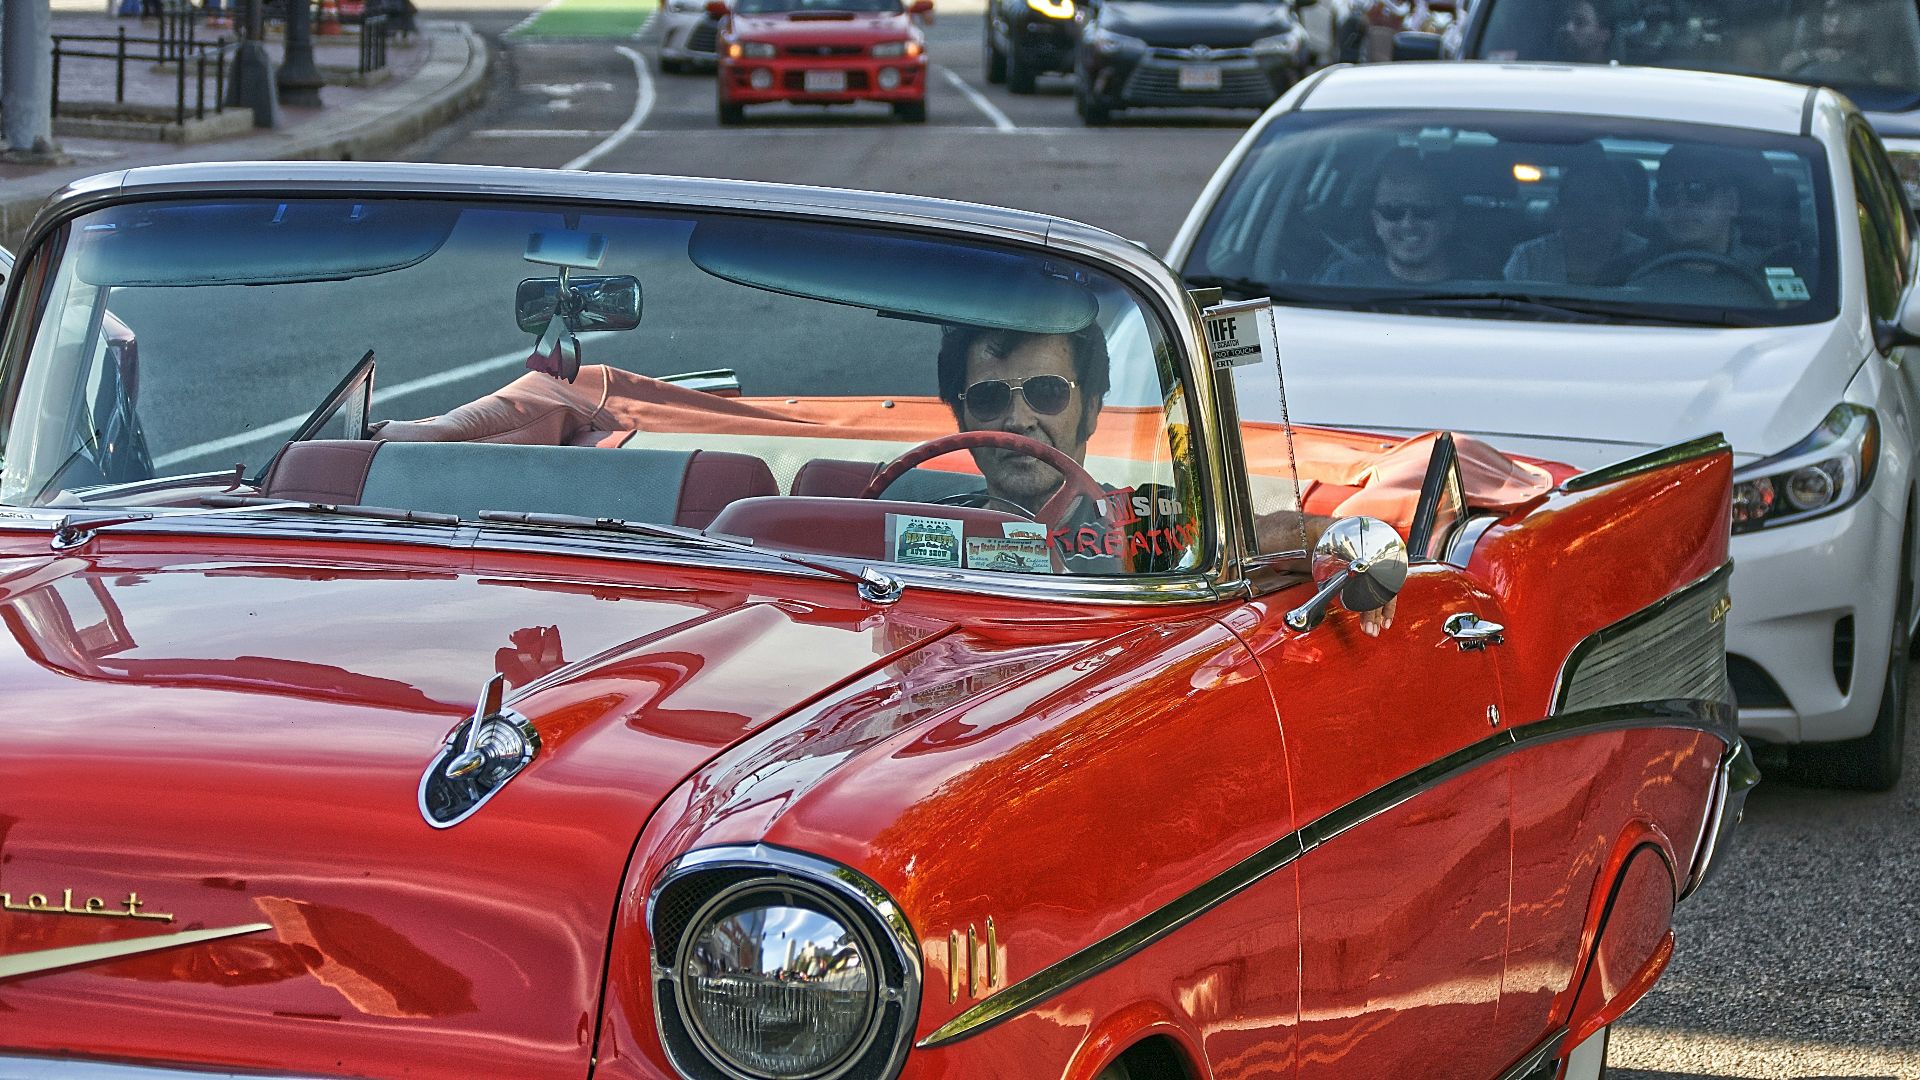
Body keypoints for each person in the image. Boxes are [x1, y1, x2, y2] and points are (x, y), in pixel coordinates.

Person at [934, 323, 1111, 516]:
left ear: (1091, 410)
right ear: (961, 419)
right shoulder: (925, 533)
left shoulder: (1141, 528)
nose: (1018, 421)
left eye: (1047, 391)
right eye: (988, 397)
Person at [1318, 151, 1458, 286]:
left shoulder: (1477, 287)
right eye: (1392, 211)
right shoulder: (1342, 279)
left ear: (1448, 220)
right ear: (1376, 222)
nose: (1408, 224)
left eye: (1423, 210)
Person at [1505, 157, 1650, 285]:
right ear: (1558, 213)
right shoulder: (1529, 259)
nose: (1586, 214)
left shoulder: (1648, 260)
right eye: (1574, 202)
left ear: (1625, 212)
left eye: (1601, 202)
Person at [1547, 0, 1613, 63]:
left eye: (1580, 22)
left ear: (1603, 33)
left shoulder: (1618, 73)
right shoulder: (1548, 70)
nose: (1568, 28)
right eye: (1565, 20)